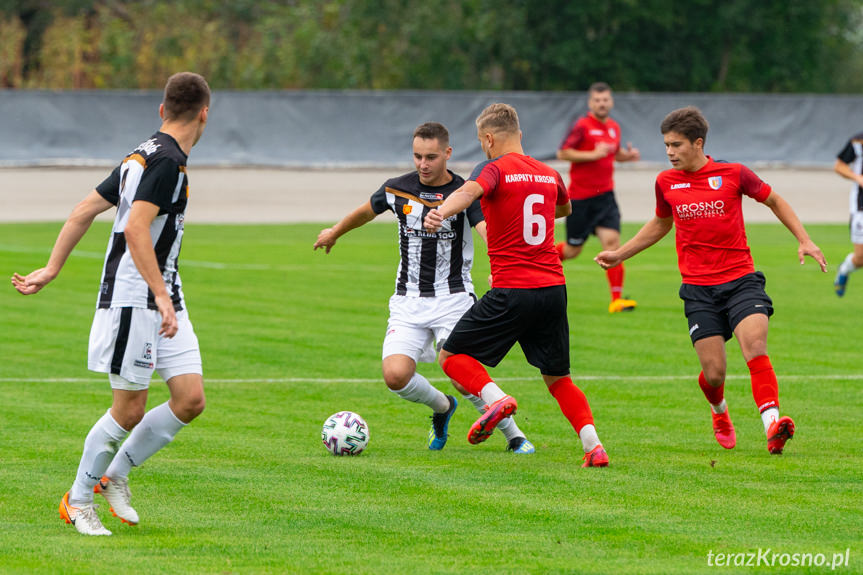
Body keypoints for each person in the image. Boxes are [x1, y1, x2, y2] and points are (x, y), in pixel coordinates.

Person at [11, 72, 211, 535]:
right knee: (129, 409)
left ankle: (114, 473)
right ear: (205, 113)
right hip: (134, 298)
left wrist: (52, 266)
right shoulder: (167, 165)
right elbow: (136, 229)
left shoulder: (142, 153)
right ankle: (78, 501)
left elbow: (83, 209)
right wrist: (159, 294)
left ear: (163, 110)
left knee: (190, 398)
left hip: (164, 297)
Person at [595, 106, 827, 455]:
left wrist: (804, 239)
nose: (670, 152)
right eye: (666, 146)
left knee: (755, 347)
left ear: (698, 143)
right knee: (715, 373)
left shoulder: (733, 174)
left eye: (676, 145)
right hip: (698, 290)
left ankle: (772, 426)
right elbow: (661, 223)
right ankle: (719, 412)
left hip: (741, 281)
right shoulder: (665, 182)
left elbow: (774, 200)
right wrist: (620, 253)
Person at [314, 122, 535, 454]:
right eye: (417, 156)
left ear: (447, 153)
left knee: (462, 374)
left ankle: (515, 435)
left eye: (431, 157)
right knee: (395, 375)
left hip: (454, 298)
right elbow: (365, 212)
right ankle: (442, 407)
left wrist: (501, 268)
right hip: (408, 300)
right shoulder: (397, 189)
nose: (423, 164)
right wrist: (334, 231)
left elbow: (486, 229)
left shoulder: (465, 191)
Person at [424, 103, 609, 467]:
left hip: (513, 289)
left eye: (481, 142)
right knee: (559, 379)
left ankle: (496, 400)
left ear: (489, 138)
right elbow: (564, 210)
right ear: (519, 135)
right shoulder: (548, 172)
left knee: (451, 357)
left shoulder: (493, 169)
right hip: (554, 289)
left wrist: (441, 211)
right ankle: (594, 446)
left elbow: (470, 192)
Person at [556, 82, 641, 314]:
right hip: (581, 198)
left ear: (611, 102)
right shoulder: (582, 126)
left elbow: (613, 154)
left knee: (613, 244)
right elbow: (563, 152)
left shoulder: (613, 127)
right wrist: (593, 154)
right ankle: (534, 261)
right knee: (573, 251)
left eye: (605, 100)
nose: (602, 104)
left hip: (605, 197)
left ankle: (616, 300)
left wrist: (627, 156)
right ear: (590, 103)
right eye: (597, 100)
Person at [832, 132, 863, 296]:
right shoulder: (858, 141)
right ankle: (844, 269)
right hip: (861, 206)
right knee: (860, 258)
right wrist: (857, 177)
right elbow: (839, 166)